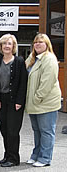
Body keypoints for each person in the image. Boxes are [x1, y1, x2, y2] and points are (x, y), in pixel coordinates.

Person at [25, 33, 61, 167]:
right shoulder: (33, 58)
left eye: (41, 42)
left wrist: (37, 97)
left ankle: (45, 158)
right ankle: (36, 155)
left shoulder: (49, 59)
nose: (38, 44)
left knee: (46, 131)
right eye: (35, 42)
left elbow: (47, 82)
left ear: (47, 45)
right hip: (34, 103)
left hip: (45, 102)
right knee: (37, 130)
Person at [0, 34, 28, 167]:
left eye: (9, 43)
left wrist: (19, 101)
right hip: (2, 100)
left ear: (13, 46)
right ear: (1, 46)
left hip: (15, 100)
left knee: (13, 130)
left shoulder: (19, 61)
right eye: (4, 44)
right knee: (4, 129)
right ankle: (7, 155)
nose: (7, 46)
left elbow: (23, 83)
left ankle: (14, 158)